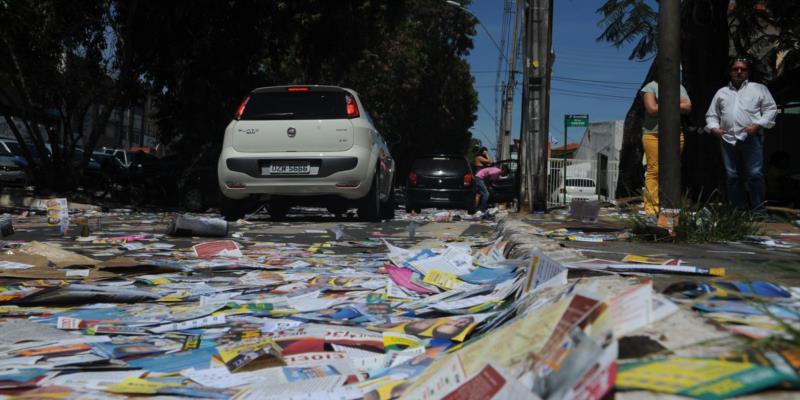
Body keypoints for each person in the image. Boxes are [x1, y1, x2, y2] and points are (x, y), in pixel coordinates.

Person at [706, 57, 777, 214]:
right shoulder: (721, 92)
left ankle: (758, 211)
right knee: (732, 176)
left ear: (748, 72)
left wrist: (758, 124)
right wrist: (714, 128)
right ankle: (740, 210)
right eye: (735, 69)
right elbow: (711, 115)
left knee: (754, 175)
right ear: (730, 72)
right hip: (727, 139)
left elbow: (771, 109)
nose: (739, 72)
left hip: (751, 138)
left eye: (743, 69)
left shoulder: (759, 89)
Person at [640, 71, 692, 216]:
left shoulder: (679, 87)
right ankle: (652, 208)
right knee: (654, 170)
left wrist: (663, 103)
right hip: (653, 134)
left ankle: (670, 206)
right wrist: (675, 103)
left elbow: (687, 107)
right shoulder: (650, 87)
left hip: (675, 133)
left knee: (673, 170)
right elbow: (651, 109)